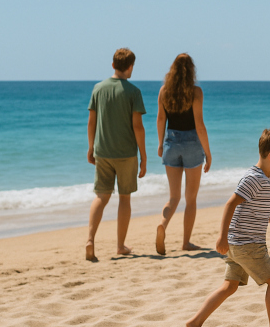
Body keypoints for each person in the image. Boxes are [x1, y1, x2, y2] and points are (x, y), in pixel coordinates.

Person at [186, 127, 270, 327]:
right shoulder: (254, 179)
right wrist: (221, 237)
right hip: (247, 244)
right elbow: (231, 204)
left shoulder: (265, 178)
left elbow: (265, 211)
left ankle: (195, 323)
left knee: (229, 286)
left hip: (239, 244)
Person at [85, 48, 147, 261]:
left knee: (101, 196)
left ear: (112, 65)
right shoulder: (133, 92)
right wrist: (144, 156)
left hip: (102, 151)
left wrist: (91, 147)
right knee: (124, 198)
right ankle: (120, 245)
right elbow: (138, 127)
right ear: (130, 67)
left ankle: (90, 240)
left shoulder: (98, 88)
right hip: (126, 153)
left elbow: (91, 121)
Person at [155, 54, 213, 255]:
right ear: (191, 70)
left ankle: (163, 224)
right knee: (191, 198)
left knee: (173, 197)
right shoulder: (196, 92)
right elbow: (199, 125)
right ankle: (186, 242)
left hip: (170, 141)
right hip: (191, 144)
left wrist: (160, 144)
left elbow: (161, 119)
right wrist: (208, 152)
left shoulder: (164, 91)